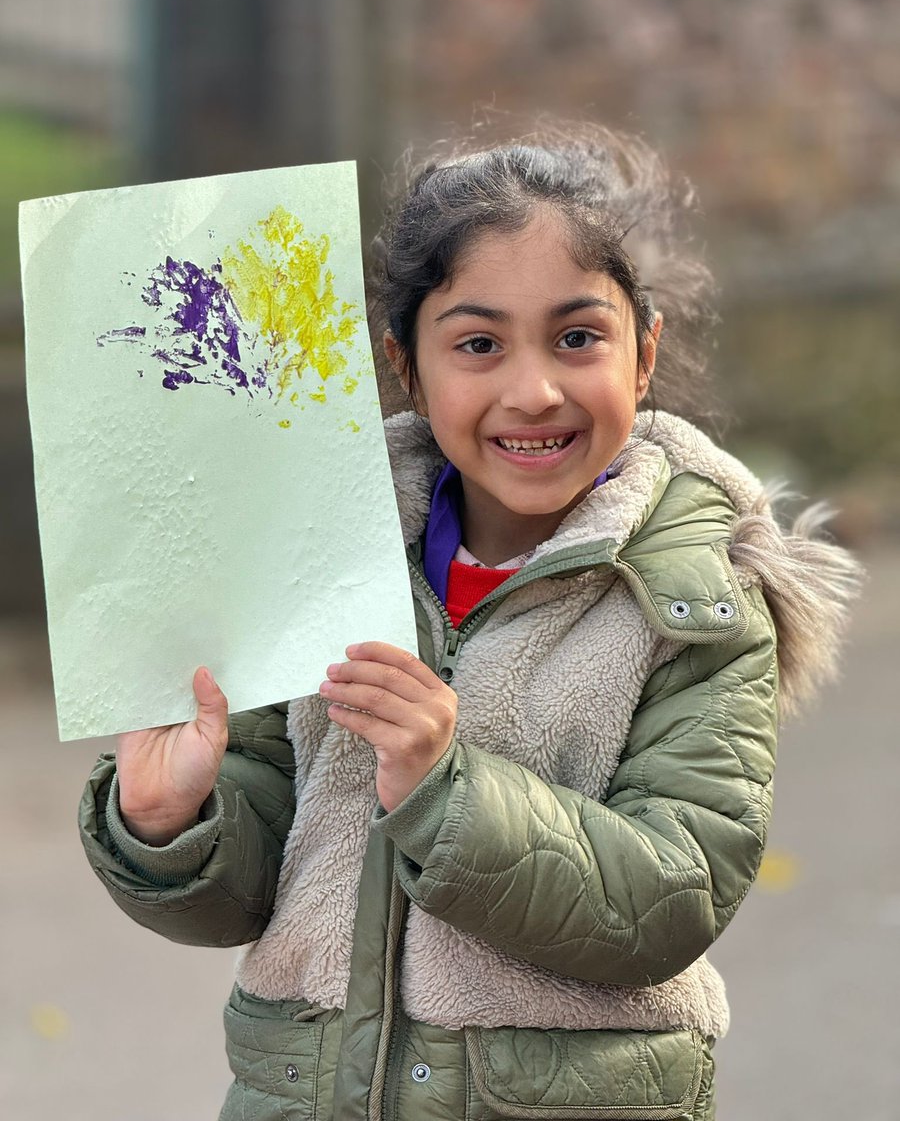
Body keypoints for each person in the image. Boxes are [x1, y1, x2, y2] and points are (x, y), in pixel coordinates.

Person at [80, 124, 861, 1120]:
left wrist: (449, 793)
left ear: (645, 351)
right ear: (408, 365)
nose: (532, 390)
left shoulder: (698, 597)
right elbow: (244, 887)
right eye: (479, 344)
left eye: (579, 337)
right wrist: (170, 821)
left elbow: (671, 898)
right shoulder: (310, 552)